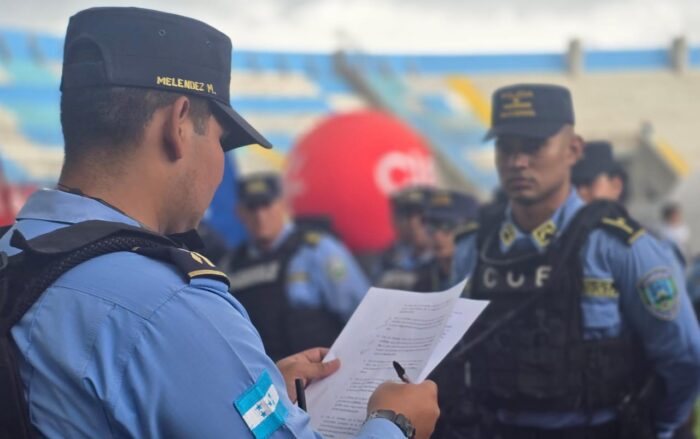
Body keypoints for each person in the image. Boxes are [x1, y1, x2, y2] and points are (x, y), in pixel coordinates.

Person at [0, 7, 439, 438]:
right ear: (179, 123)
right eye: (220, 140)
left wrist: (242, 385)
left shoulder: (15, 253)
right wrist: (396, 424)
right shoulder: (169, 306)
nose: (218, 160)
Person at [450, 83, 700, 439]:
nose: (517, 162)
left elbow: (683, 356)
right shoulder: (474, 248)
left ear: (574, 150)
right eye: (506, 147)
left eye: (533, 146)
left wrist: (658, 428)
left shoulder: (618, 247)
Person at [222, 172, 370, 361]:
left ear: (283, 204)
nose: (260, 216)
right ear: (239, 212)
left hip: (322, 370)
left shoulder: (317, 250)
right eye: (252, 208)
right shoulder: (231, 266)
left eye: (267, 205)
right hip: (269, 375)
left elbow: (362, 315)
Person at [413, 189, 479, 292]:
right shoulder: (423, 280)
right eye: (432, 226)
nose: (437, 235)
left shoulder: (482, 278)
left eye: (448, 225)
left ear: (469, 230)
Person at [374, 185, 435, 290]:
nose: (413, 225)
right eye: (406, 216)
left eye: (423, 218)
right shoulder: (388, 257)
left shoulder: (446, 258)